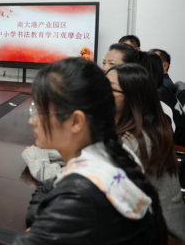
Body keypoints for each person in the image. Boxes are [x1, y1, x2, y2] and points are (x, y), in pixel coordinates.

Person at [13, 58, 166, 245]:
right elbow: (48, 187)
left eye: (41, 111)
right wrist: (43, 219)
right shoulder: (111, 153)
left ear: (76, 121)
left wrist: (38, 224)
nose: (32, 120)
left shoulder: (81, 195)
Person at [107, 63, 185, 241]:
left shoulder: (136, 142)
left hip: (162, 236)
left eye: (109, 88)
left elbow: (94, 185)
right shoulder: (127, 127)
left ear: (132, 98)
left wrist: (38, 161)